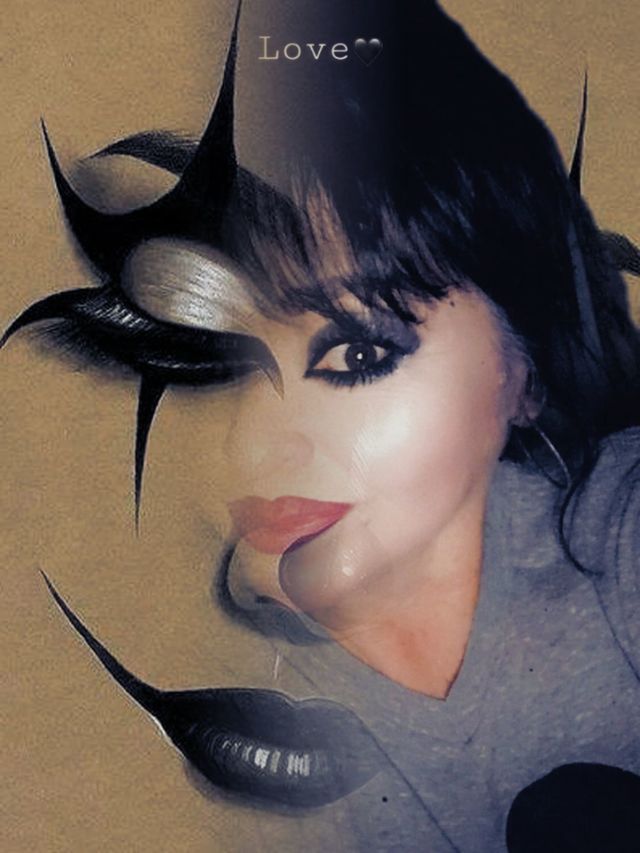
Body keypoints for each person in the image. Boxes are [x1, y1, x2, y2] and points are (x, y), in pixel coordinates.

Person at [2, 0, 639, 850]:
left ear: (525, 373)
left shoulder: (619, 535)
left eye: (360, 352)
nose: (253, 447)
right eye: (195, 350)